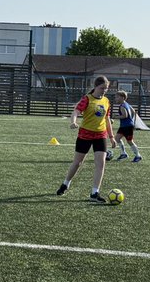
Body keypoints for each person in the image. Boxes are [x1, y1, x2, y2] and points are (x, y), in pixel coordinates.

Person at [55, 75, 117, 203]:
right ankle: (66, 183)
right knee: (77, 163)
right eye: (102, 88)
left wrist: (111, 137)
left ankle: (94, 193)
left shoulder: (106, 101)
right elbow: (76, 111)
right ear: (96, 87)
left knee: (101, 164)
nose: (104, 91)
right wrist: (73, 122)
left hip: (100, 135)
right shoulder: (87, 99)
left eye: (106, 88)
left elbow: (107, 120)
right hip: (85, 134)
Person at [112, 90, 142, 162]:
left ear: (122, 97)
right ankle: (123, 154)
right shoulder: (127, 104)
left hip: (127, 126)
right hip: (125, 126)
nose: (116, 98)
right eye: (115, 97)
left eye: (117, 97)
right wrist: (132, 121)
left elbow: (125, 116)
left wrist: (115, 117)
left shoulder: (122, 106)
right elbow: (133, 112)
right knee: (117, 138)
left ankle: (138, 156)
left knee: (129, 141)